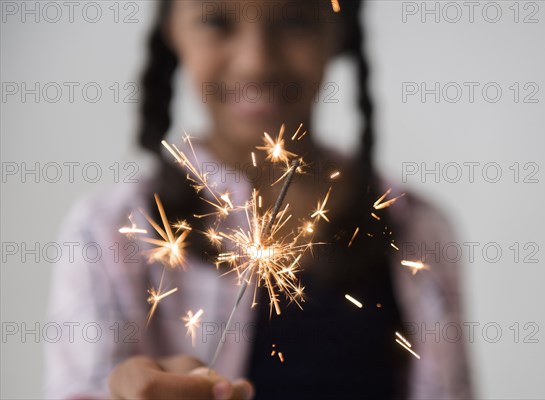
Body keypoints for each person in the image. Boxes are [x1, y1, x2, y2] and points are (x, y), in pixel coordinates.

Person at [45, 1, 471, 399]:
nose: (257, 62)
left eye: (295, 19)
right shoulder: (107, 232)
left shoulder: (417, 228)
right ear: (171, 28)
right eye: (217, 20)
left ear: (339, 28)